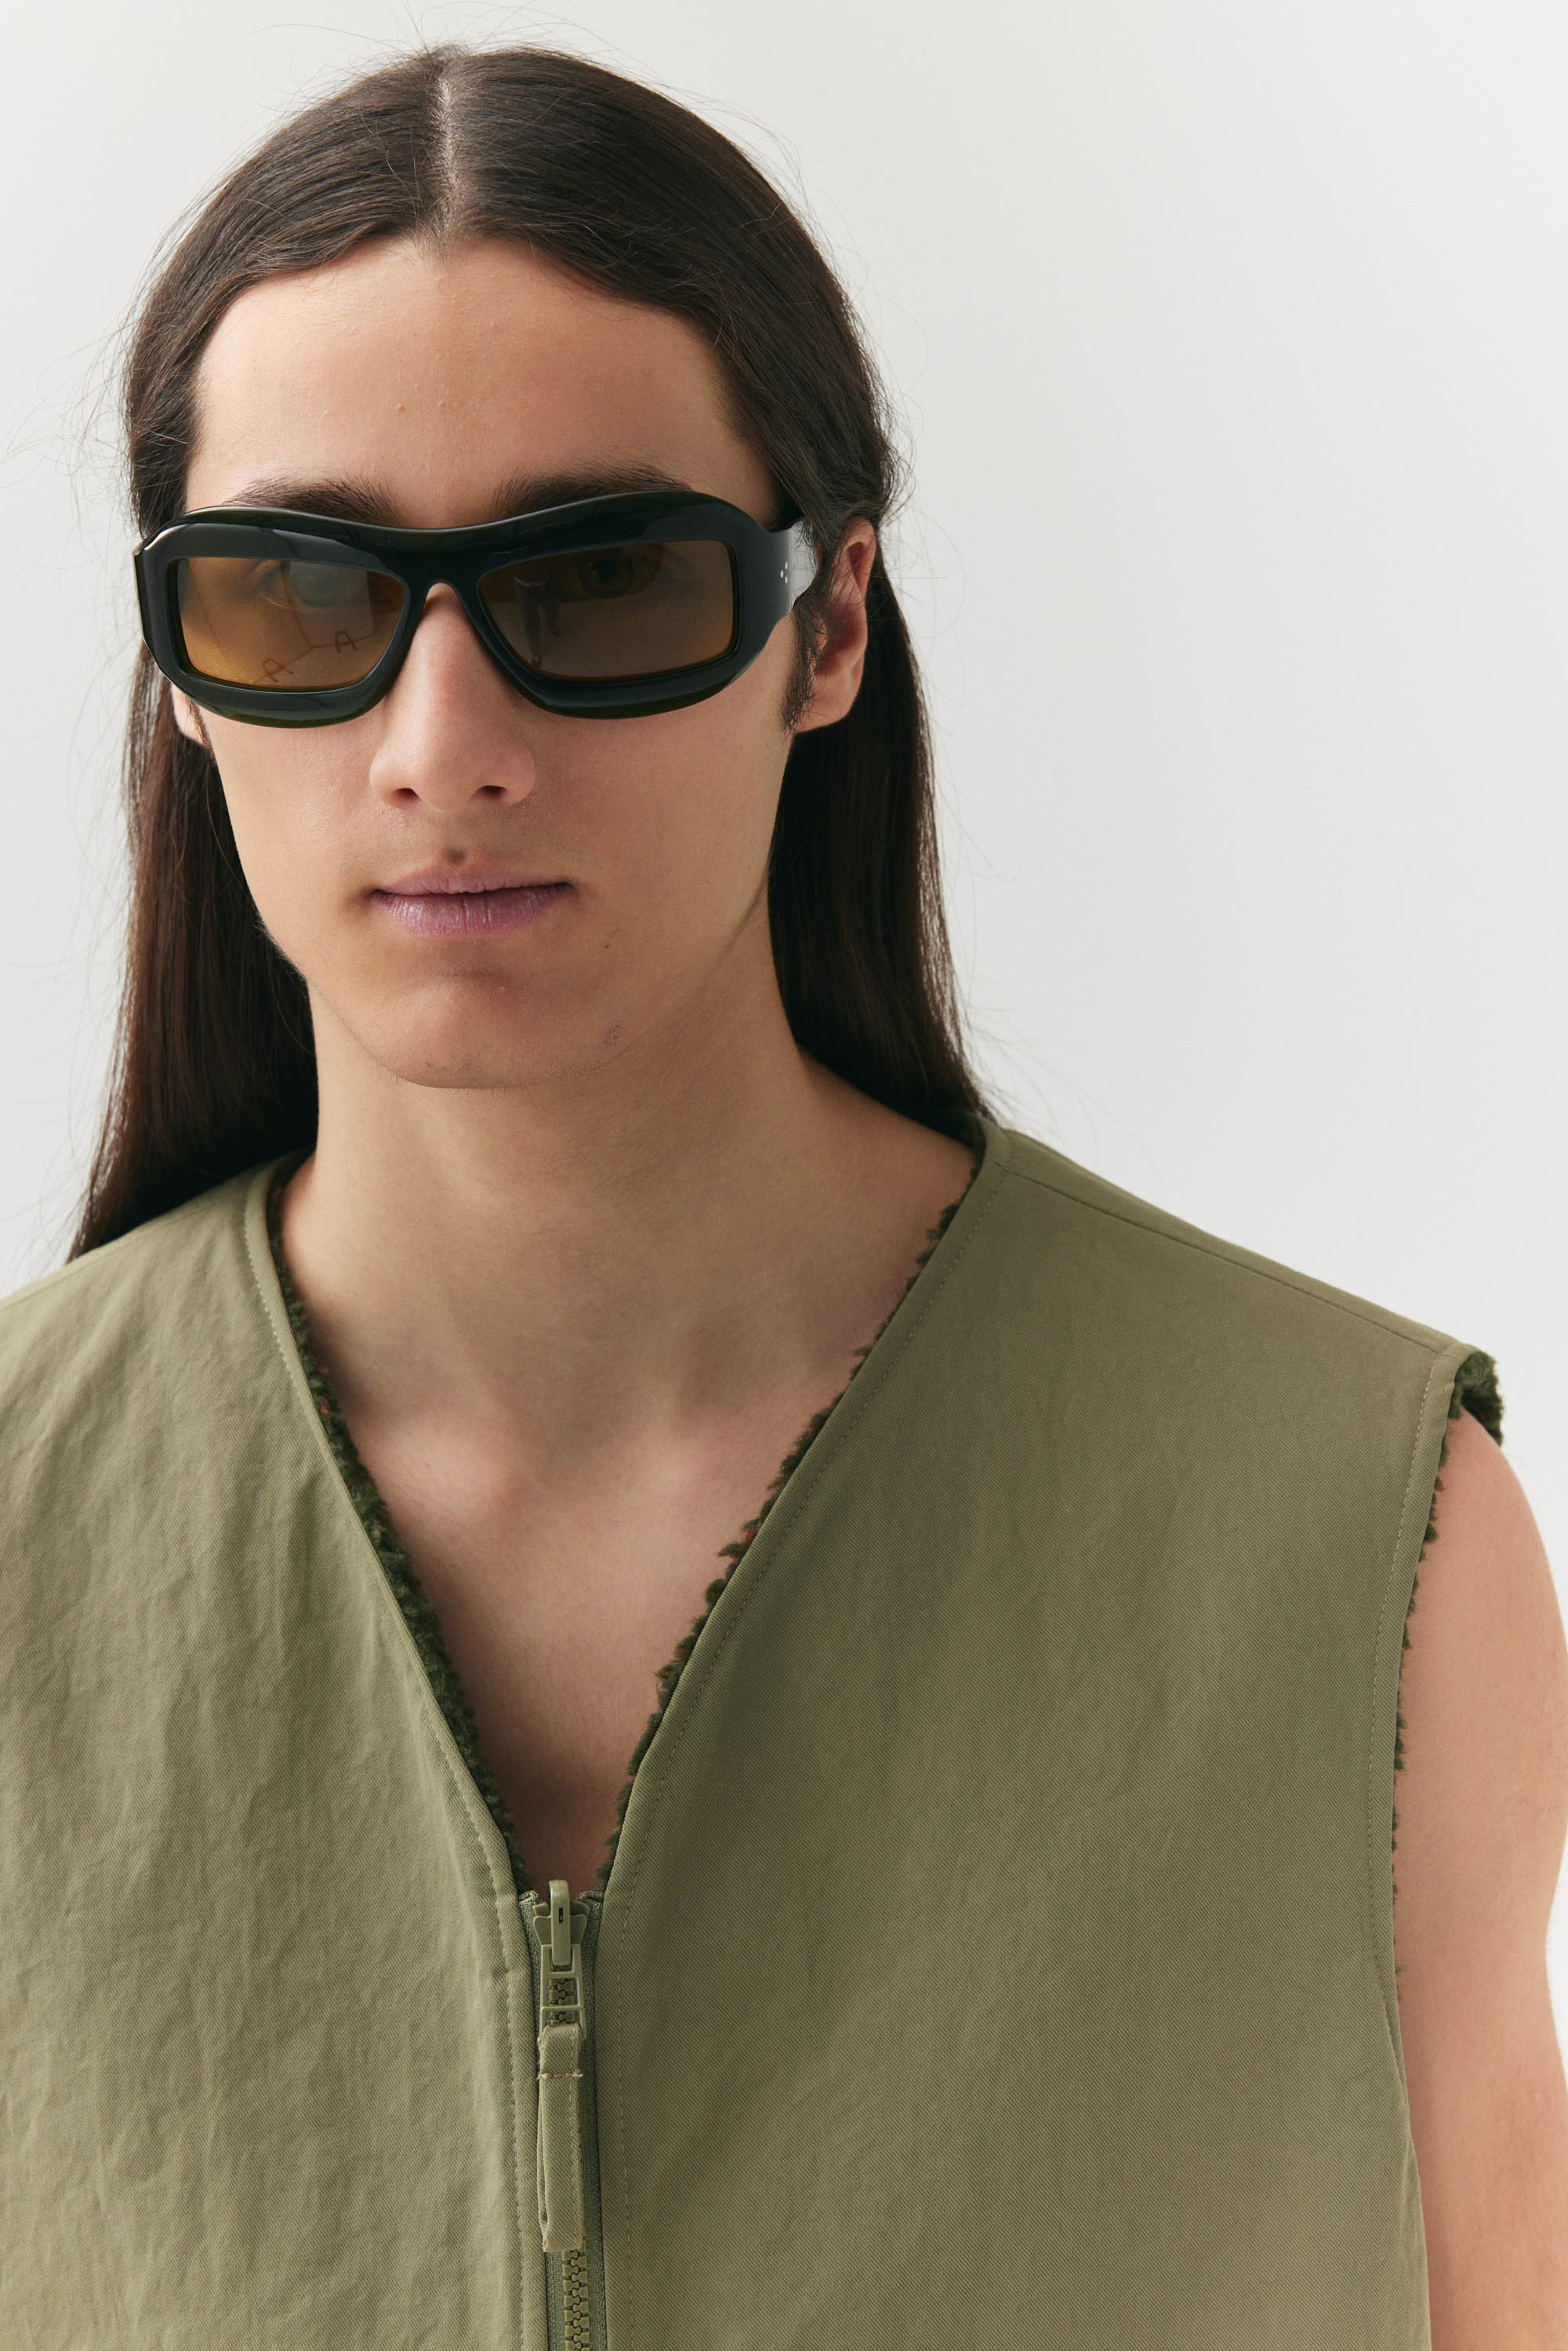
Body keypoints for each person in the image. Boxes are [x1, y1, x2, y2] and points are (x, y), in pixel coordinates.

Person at [2, 41, 1563, 2351]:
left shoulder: (1362, 1551)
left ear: (827, 629)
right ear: (184, 674)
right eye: (300, 600)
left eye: (602, 581)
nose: (443, 743)